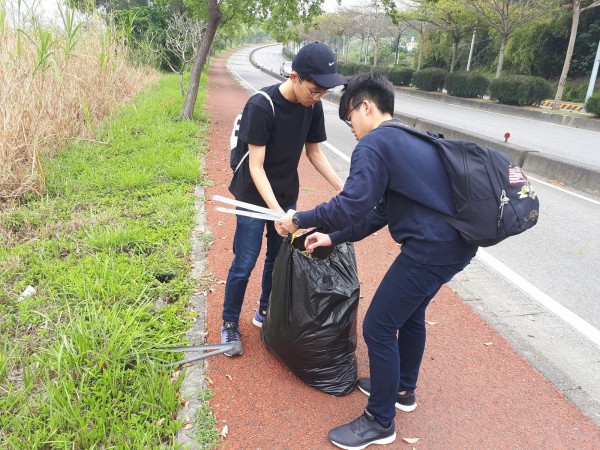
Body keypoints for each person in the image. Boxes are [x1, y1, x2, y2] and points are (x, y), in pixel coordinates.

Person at [276, 72, 478, 450]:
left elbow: (351, 204)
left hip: (430, 250)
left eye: (349, 117)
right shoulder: (408, 137)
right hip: (456, 245)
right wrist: (332, 236)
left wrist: (299, 220)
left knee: (379, 327)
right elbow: (376, 213)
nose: (350, 127)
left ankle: (380, 421)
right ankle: (403, 389)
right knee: (410, 315)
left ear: (366, 106)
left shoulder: (374, 144)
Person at [220, 42, 345, 356]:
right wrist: (277, 214)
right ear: (294, 77)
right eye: (315, 90)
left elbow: (315, 153)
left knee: (277, 261)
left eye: (324, 92)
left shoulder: (312, 107)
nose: (318, 97)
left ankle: (265, 311)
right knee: (244, 261)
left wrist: (344, 189)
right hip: (253, 195)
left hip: (286, 195)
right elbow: (256, 166)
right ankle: (229, 323)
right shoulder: (262, 105)